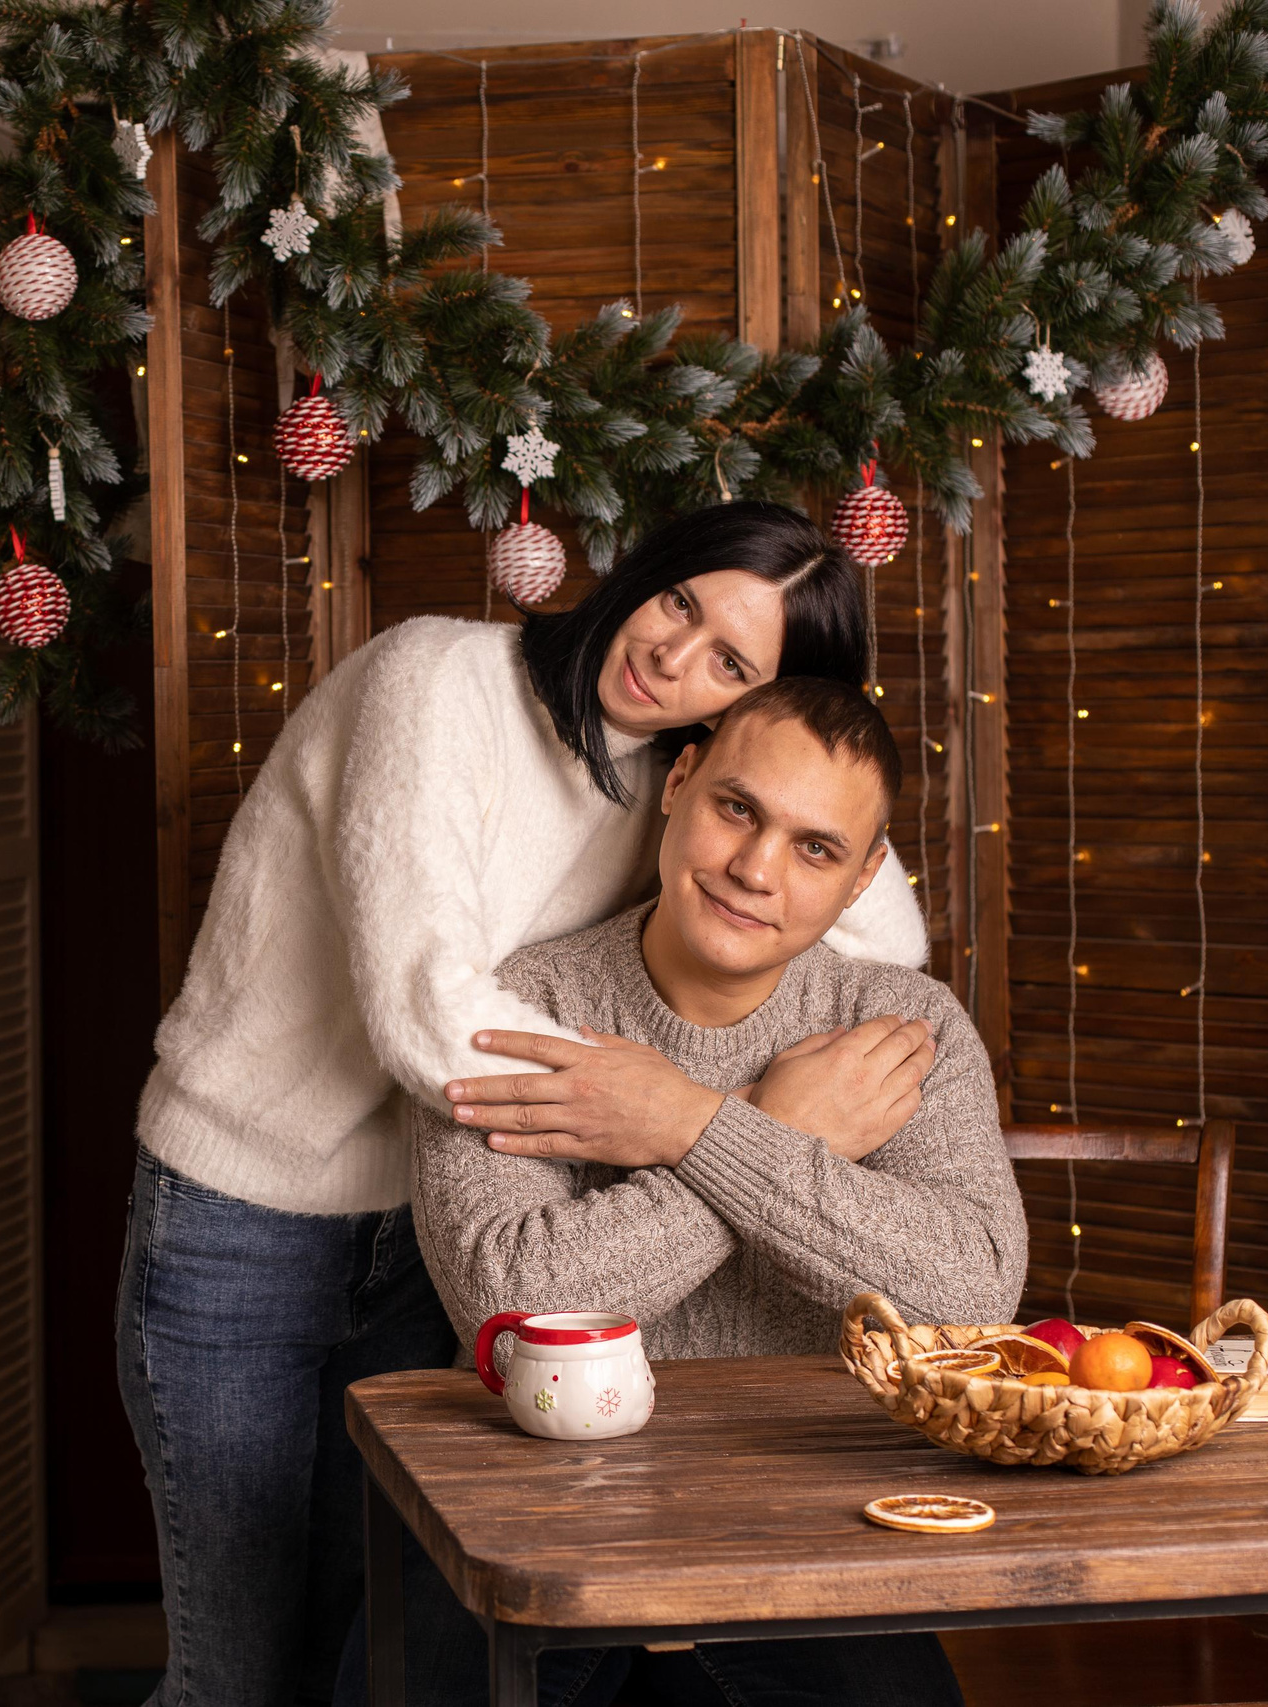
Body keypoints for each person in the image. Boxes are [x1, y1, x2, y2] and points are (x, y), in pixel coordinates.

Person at [118, 502, 937, 1707]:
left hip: (433, 1244)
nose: (673, 656)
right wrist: (717, 1128)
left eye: (731, 664)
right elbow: (424, 1004)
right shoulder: (437, 676)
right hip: (240, 1218)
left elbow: (886, 959)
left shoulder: (692, 782)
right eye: (680, 604)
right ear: (644, 572)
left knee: (372, 1642)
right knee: (239, 1674)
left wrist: (767, 787)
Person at [401, 677, 1028, 1707]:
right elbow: (504, 1305)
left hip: (809, 1523)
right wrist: (770, 1129)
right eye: (738, 809)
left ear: (862, 878)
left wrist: (690, 1124)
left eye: (814, 849)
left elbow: (969, 1296)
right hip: (534, 1509)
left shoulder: (897, 1029)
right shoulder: (520, 1005)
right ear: (679, 781)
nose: (753, 869)